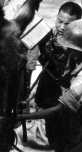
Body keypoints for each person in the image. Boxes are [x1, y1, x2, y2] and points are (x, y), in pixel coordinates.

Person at [18, 19, 82, 152]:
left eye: (72, 50)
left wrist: (22, 117)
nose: (69, 52)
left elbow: (56, 109)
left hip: (76, 135)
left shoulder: (79, 82)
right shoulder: (76, 60)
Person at [34, 2, 82, 150]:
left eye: (67, 24)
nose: (61, 27)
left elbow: (67, 72)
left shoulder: (77, 41)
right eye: (59, 21)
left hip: (70, 101)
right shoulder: (47, 36)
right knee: (53, 138)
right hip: (48, 96)